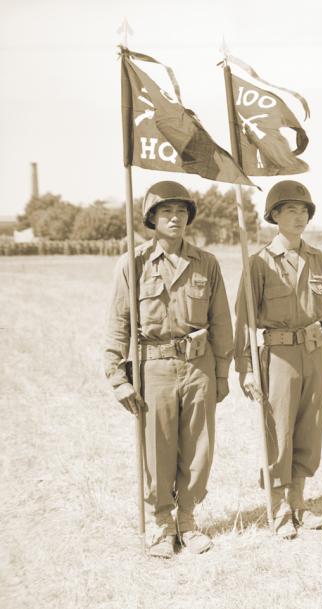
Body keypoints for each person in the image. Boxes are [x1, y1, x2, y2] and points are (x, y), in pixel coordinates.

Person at [104, 180, 234, 558]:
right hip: (154, 366)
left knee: (199, 447)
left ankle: (189, 521)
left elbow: (221, 320)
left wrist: (222, 372)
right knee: (157, 448)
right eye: (165, 212)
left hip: (198, 366)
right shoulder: (134, 263)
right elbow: (118, 323)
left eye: (180, 212)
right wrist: (118, 379)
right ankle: (162, 524)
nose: (174, 218)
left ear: (189, 217)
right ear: (152, 219)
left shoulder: (207, 263)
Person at [235, 180, 322, 539]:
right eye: (290, 210)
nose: (299, 217)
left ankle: (299, 502)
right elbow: (245, 322)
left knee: (309, 428)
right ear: (274, 216)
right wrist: (247, 368)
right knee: (279, 430)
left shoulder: (319, 260)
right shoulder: (260, 263)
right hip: (278, 354)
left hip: (315, 354)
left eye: (304, 211)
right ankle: (278, 509)